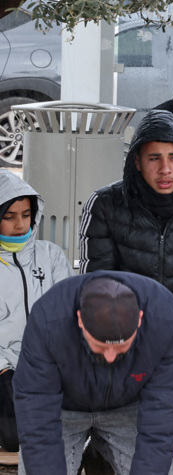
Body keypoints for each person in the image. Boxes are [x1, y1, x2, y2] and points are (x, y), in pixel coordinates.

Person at [14, 271, 173, 474]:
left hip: (129, 407)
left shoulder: (165, 319)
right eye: (101, 346)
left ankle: (97, 454)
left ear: (140, 319)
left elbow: (163, 408)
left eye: (121, 347)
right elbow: (37, 406)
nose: (111, 357)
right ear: (80, 320)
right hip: (64, 408)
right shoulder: (48, 319)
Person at [79, 110, 173, 297]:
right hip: (129, 320)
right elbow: (97, 286)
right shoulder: (105, 205)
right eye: (154, 158)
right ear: (137, 162)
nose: (165, 169)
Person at [0, 171, 74, 453]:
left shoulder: (50, 255)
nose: (20, 225)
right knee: (14, 439)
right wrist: (3, 370)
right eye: (9, 216)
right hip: (7, 369)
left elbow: (71, 313)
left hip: (51, 366)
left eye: (26, 214)